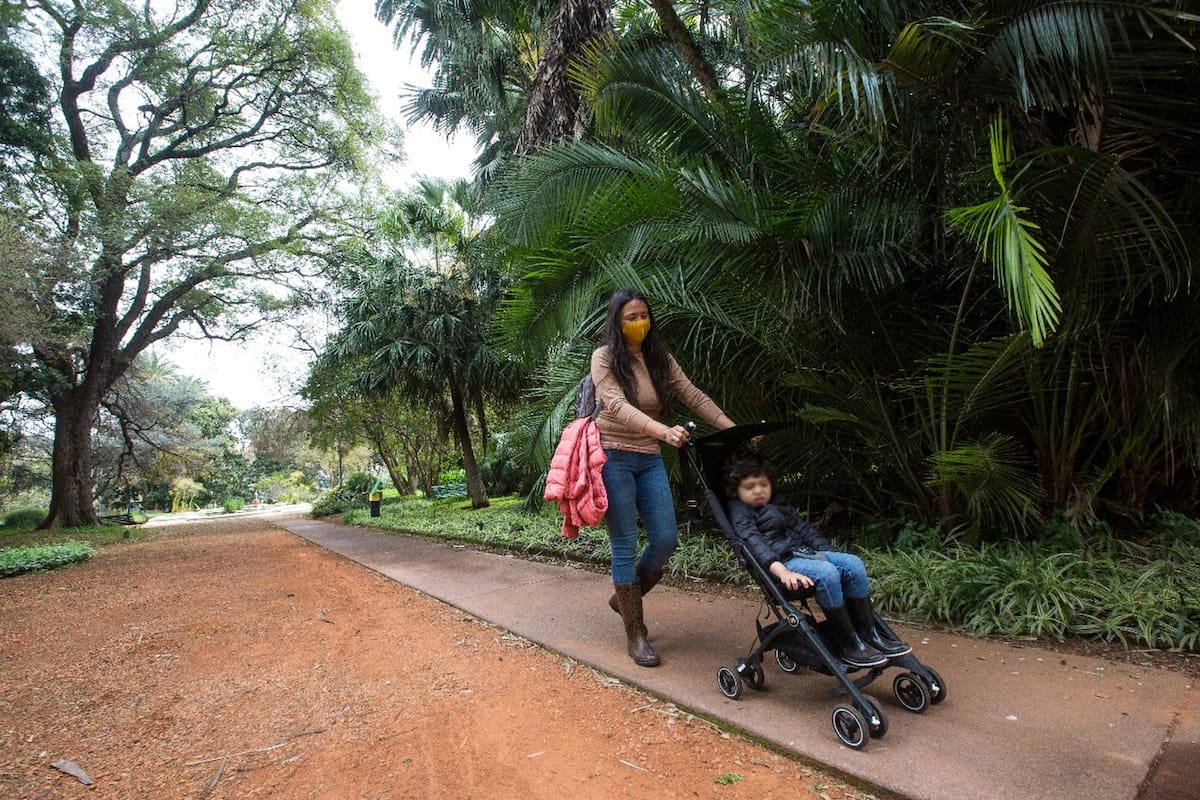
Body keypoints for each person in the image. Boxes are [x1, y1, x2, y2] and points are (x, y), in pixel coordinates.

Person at [592, 288, 737, 667]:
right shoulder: (604, 357)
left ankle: (625, 598)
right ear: (617, 322)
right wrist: (662, 431)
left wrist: (732, 428)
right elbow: (615, 405)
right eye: (631, 317)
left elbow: (693, 395)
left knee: (666, 539)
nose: (639, 323)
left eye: (644, 315)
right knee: (624, 543)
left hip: (649, 457)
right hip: (613, 456)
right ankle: (636, 633)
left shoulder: (660, 358)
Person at [724, 452, 911, 668]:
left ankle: (869, 633)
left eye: (763, 485)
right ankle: (848, 641)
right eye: (750, 487)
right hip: (780, 566)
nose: (758, 491)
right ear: (737, 491)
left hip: (803, 554)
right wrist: (783, 572)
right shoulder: (740, 513)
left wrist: (834, 556)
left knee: (853, 564)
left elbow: (804, 529)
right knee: (827, 573)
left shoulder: (776, 502)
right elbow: (756, 545)